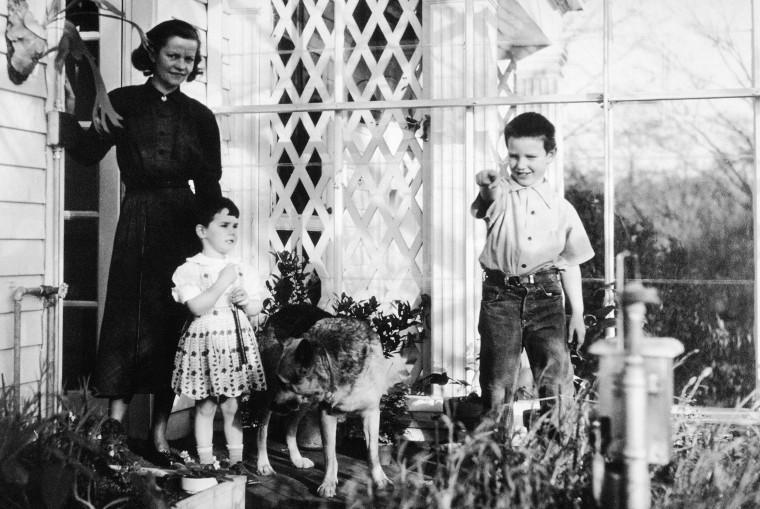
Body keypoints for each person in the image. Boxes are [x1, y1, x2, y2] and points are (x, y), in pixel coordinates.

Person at [60, 19, 223, 462]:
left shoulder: (201, 117)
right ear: (153, 55)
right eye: (174, 55)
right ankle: (113, 430)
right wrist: (59, 112)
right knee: (128, 322)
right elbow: (87, 150)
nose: (182, 65)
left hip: (183, 226)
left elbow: (209, 186)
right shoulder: (124, 102)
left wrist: (216, 241)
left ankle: (158, 436)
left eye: (189, 58)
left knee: (175, 327)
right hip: (139, 221)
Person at [471, 112, 594, 432]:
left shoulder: (561, 208)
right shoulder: (501, 193)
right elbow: (487, 200)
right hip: (501, 298)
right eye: (513, 156)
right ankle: (493, 464)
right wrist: (486, 185)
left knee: (554, 382)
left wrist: (577, 312)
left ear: (550, 155)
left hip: (546, 296)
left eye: (530, 156)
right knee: (498, 382)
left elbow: (569, 262)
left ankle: (555, 460)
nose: (521, 164)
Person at [171, 197, 266, 468]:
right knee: (205, 405)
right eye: (224, 225)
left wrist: (246, 300)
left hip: (233, 343)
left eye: (235, 225)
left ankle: (236, 462)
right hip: (206, 342)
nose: (232, 232)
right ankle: (205, 462)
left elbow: (257, 306)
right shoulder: (191, 269)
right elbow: (197, 307)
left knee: (232, 406)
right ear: (202, 231)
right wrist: (222, 282)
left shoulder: (241, 268)